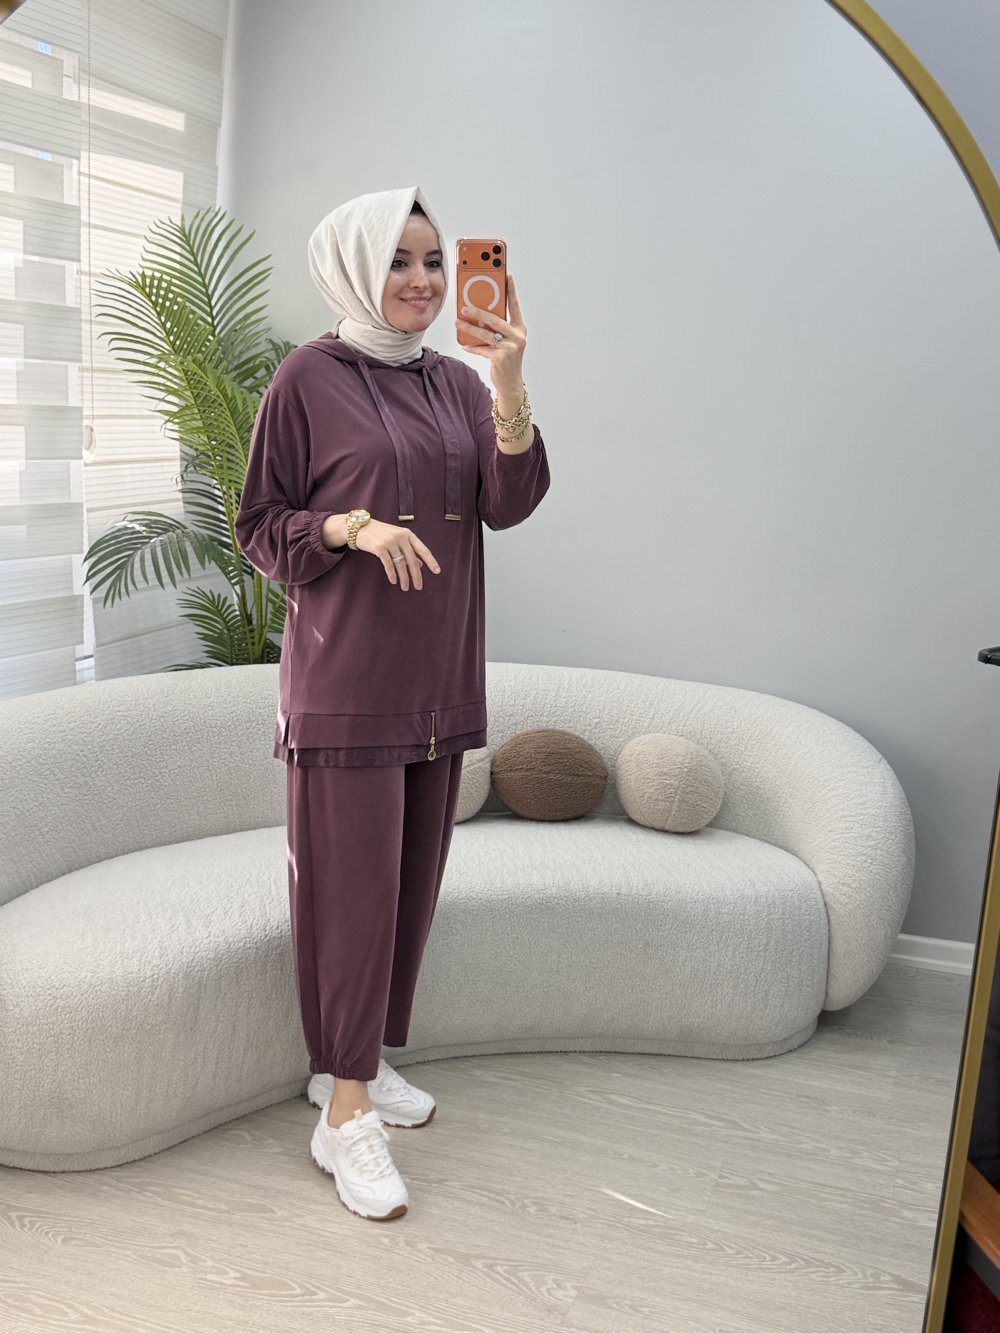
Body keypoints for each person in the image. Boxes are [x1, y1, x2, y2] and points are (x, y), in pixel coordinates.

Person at [234, 186, 550, 1221]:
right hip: (345, 683)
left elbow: (509, 501)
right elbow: (260, 524)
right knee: (352, 894)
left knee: (410, 890)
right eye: (399, 261)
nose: (421, 281)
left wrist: (508, 383)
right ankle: (344, 1116)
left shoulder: (457, 381)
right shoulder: (307, 378)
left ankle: (354, 1060)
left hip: (437, 679)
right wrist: (350, 528)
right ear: (354, 268)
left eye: (433, 260)